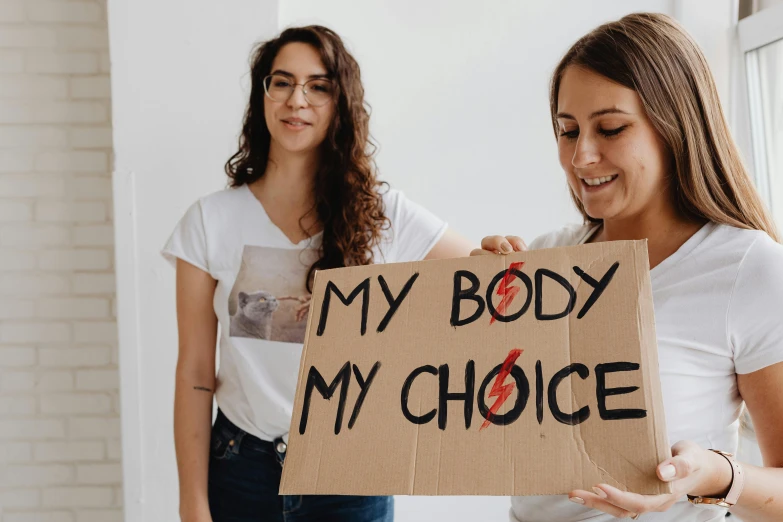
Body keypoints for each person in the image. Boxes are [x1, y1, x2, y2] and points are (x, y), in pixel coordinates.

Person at [475, 13, 783, 522]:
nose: (581, 156)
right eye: (567, 131)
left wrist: (715, 475)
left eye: (611, 128)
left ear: (674, 125)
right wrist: (468, 315)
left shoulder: (750, 270)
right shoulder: (545, 261)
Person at [163, 25, 473, 522]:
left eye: (318, 85)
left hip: (350, 474)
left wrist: (498, 253)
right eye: (281, 82)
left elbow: (485, 281)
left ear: (340, 103)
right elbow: (196, 376)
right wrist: (192, 504)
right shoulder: (209, 220)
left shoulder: (383, 215)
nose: (296, 100)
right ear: (262, 96)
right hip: (240, 467)